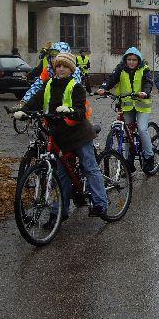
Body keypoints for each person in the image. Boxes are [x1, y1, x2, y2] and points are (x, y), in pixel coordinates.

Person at [14, 52, 109, 222]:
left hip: (79, 135)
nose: (61, 69)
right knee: (61, 175)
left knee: (89, 167)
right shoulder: (49, 85)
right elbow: (35, 101)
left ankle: (100, 203)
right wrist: (24, 111)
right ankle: (59, 212)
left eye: (65, 66)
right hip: (59, 136)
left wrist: (70, 111)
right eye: (58, 66)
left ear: (71, 69)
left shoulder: (76, 86)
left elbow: (80, 111)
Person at [97, 47, 155, 173]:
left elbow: (148, 83)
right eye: (129, 59)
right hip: (127, 106)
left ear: (138, 60)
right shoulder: (120, 69)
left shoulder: (145, 69)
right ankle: (128, 161)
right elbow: (111, 79)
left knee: (142, 129)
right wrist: (103, 88)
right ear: (125, 59)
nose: (131, 62)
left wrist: (145, 92)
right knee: (127, 132)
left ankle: (149, 156)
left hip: (142, 106)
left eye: (134, 60)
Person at [20, 42, 84, 107]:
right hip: (52, 110)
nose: (54, 60)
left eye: (56, 56)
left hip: (73, 111)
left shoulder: (74, 70)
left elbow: (76, 93)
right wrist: (24, 102)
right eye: (52, 57)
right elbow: (37, 86)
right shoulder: (48, 70)